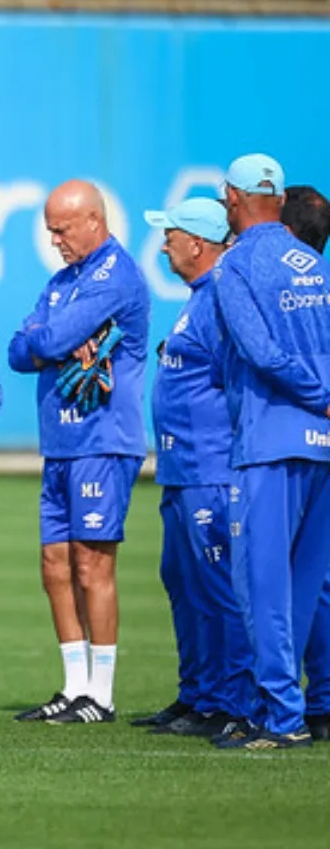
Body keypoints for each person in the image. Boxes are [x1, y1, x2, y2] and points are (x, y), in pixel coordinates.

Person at [7, 180, 150, 724]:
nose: (55, 241)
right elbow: (20, 350)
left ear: (94, 220)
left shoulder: (116, 275)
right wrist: (52, 342)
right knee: (55, 564)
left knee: (92, 563)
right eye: (50, 231)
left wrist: (48, 341)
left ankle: (102, 694)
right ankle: (74, 686)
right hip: (62, 442)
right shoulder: (62, 281)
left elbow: (43, 340)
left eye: (62, 230)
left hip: (102, 439)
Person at [210, 155, 330, 750]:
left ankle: (280, 716)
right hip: (322, 446)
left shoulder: (235, 265)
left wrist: (318, 394)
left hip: (270, 438)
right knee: (304, 586)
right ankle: (285, 706)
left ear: (232, 199)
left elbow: (259, 352)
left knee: (262, 585)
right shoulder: (314, 263)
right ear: (279, 199)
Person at [135, 198, 248, 739]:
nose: (164, 246)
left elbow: (236, 382)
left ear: (198, 244)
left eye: (171, 236)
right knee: (184, 582)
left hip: (209, 469)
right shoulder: (200, 297)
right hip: (182, 469)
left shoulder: (221, 299)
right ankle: (199, 695)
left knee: (218, 586)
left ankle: (233, 700)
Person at [281, 185, 330, 741]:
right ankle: (321, 702)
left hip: (295, 446)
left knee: (285, 583)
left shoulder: (289, 300)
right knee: (317, 582)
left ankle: (280, 705)